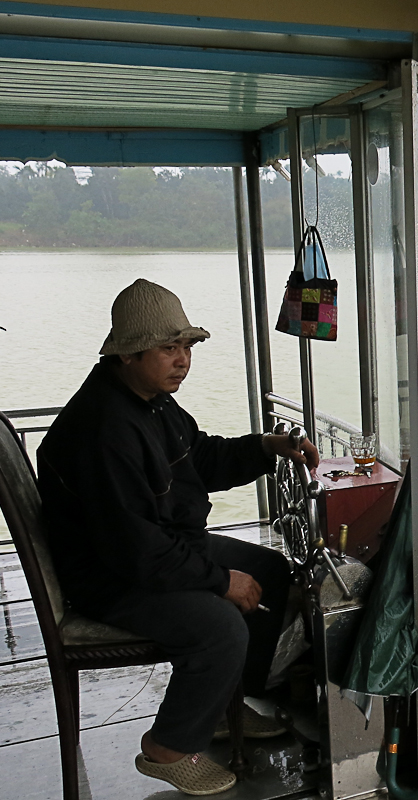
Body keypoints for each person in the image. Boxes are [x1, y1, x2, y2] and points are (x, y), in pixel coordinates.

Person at [37, 278, 319, 796]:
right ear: (127, 353)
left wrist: (268, 446)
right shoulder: (104, 430)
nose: (183, 359)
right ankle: (167, 746)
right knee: (221, 626)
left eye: (187, 346)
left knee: (270, 572)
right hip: (109, 576)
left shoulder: (149, 399)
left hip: (155, 548)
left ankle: (221, 706)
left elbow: (201, 457)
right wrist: (218, 581)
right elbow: (135, 551)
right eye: (169, 348)